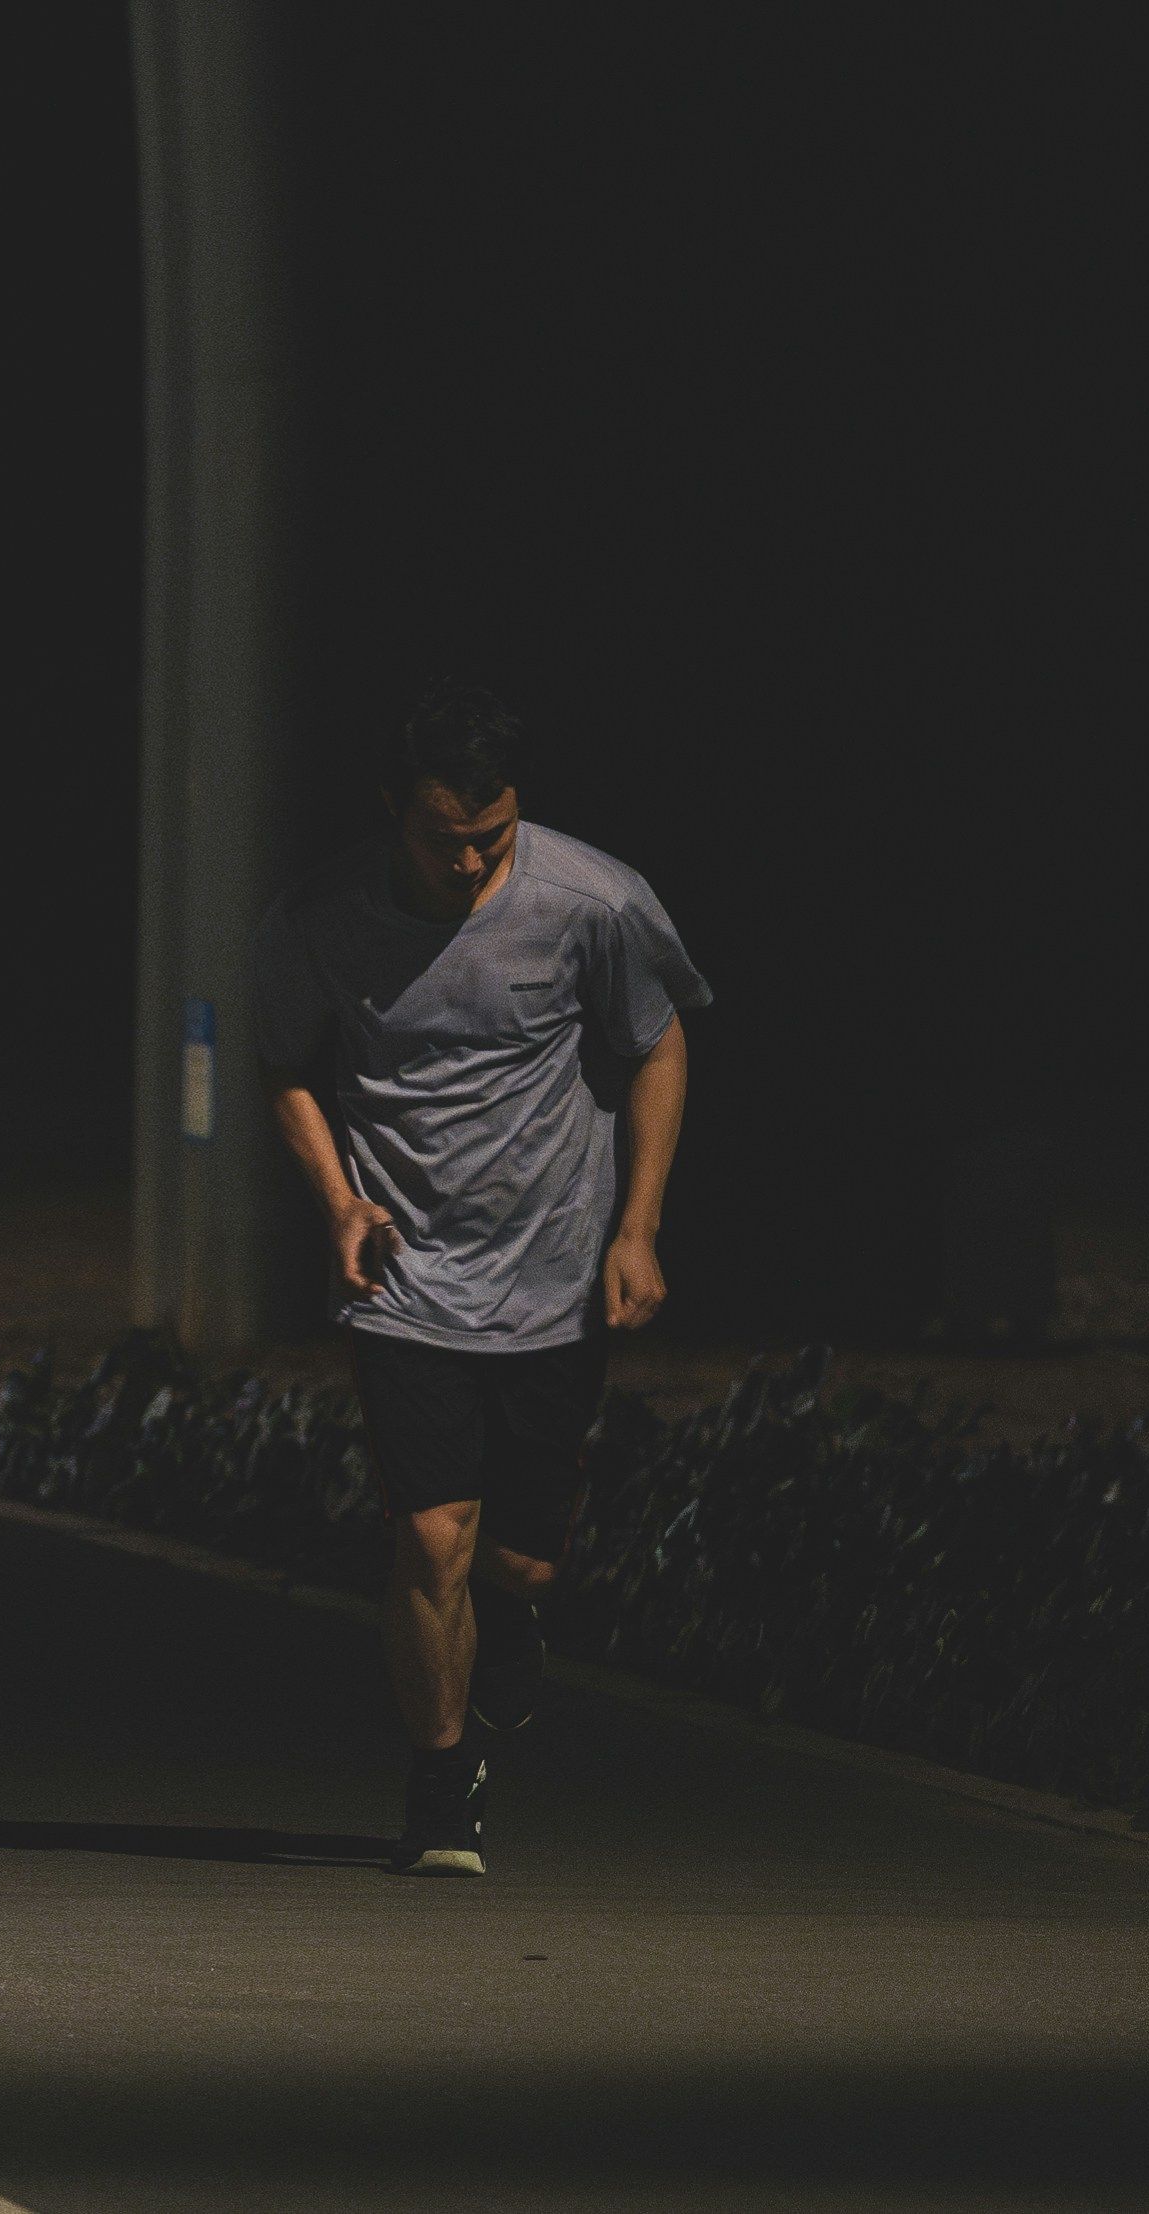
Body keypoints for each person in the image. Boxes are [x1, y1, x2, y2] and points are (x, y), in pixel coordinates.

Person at [252, 686, 706, 1876]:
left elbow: (657, 1046)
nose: (466, 860)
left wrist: (638, 1227)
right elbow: (287, 1067)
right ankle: (442, 1786)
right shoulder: (319, 918)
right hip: (406, 1278)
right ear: (391, 812)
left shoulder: (590, 904)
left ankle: (511, 1616)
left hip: (555, 1271)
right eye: (440, 835)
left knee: (517, 1563)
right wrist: (339, 1201)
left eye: (490, 836)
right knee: (430, 1539)